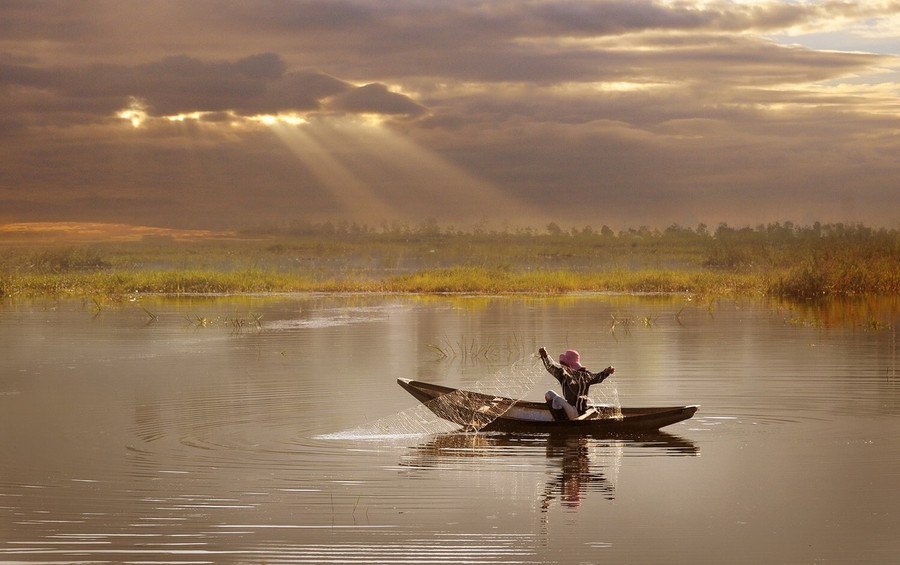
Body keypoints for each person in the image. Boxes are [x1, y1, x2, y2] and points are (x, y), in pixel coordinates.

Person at [539, 347, 615, 420]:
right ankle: (558, 417)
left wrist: (607, 372)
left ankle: (561, 422)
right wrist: (545, 356)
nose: (563, 367)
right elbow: (550, 368)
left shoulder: (584, 376)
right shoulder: (563, 375)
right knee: (548, 394)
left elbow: (597, 377)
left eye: (565, 365)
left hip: (578, 413)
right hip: (569, 409)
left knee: (556, 400)